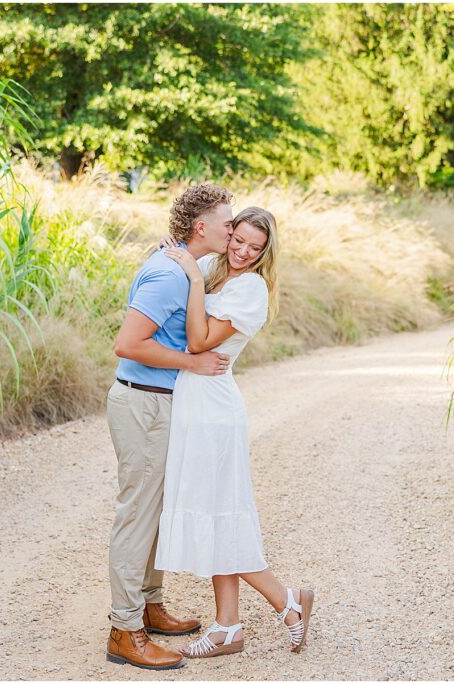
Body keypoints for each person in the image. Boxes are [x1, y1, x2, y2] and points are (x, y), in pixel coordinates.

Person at [155, 207, 315, 658]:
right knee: (212, 514)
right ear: (229, 235)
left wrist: (191, 277)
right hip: (191, 399)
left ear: (266, 252)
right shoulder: (211, 268)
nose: (243, 251)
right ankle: (230, 626)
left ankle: (284, 604)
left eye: (255, 247)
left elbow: (200, 340)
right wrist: (190, 268)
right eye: (238, 240)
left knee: (221, 513)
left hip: (215, 409)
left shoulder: (251, 289)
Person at [105, 184, 235, 671]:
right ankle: (125, 629)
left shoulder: (186, 266)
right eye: (227, 221)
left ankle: (150, 605)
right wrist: (192, 363)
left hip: (162, 405)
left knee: (158, 512)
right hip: (143, 406)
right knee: (138, 514)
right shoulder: (169, 273)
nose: (233, 228)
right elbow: (127, 344)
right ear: (202, 227)